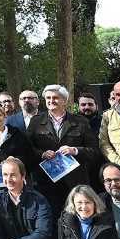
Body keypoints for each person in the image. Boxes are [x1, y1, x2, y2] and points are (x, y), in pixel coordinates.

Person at [25, 84, 99, 214]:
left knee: (76, 216)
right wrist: (42, 154)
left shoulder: (80, 121)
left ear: (64, 101)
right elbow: (27, 148)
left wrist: (75, 150)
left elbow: (94, 151)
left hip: (75, 182)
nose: (51, 101)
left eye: (55, 97)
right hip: (46, 183)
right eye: (48, 98)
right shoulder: (36, 122)